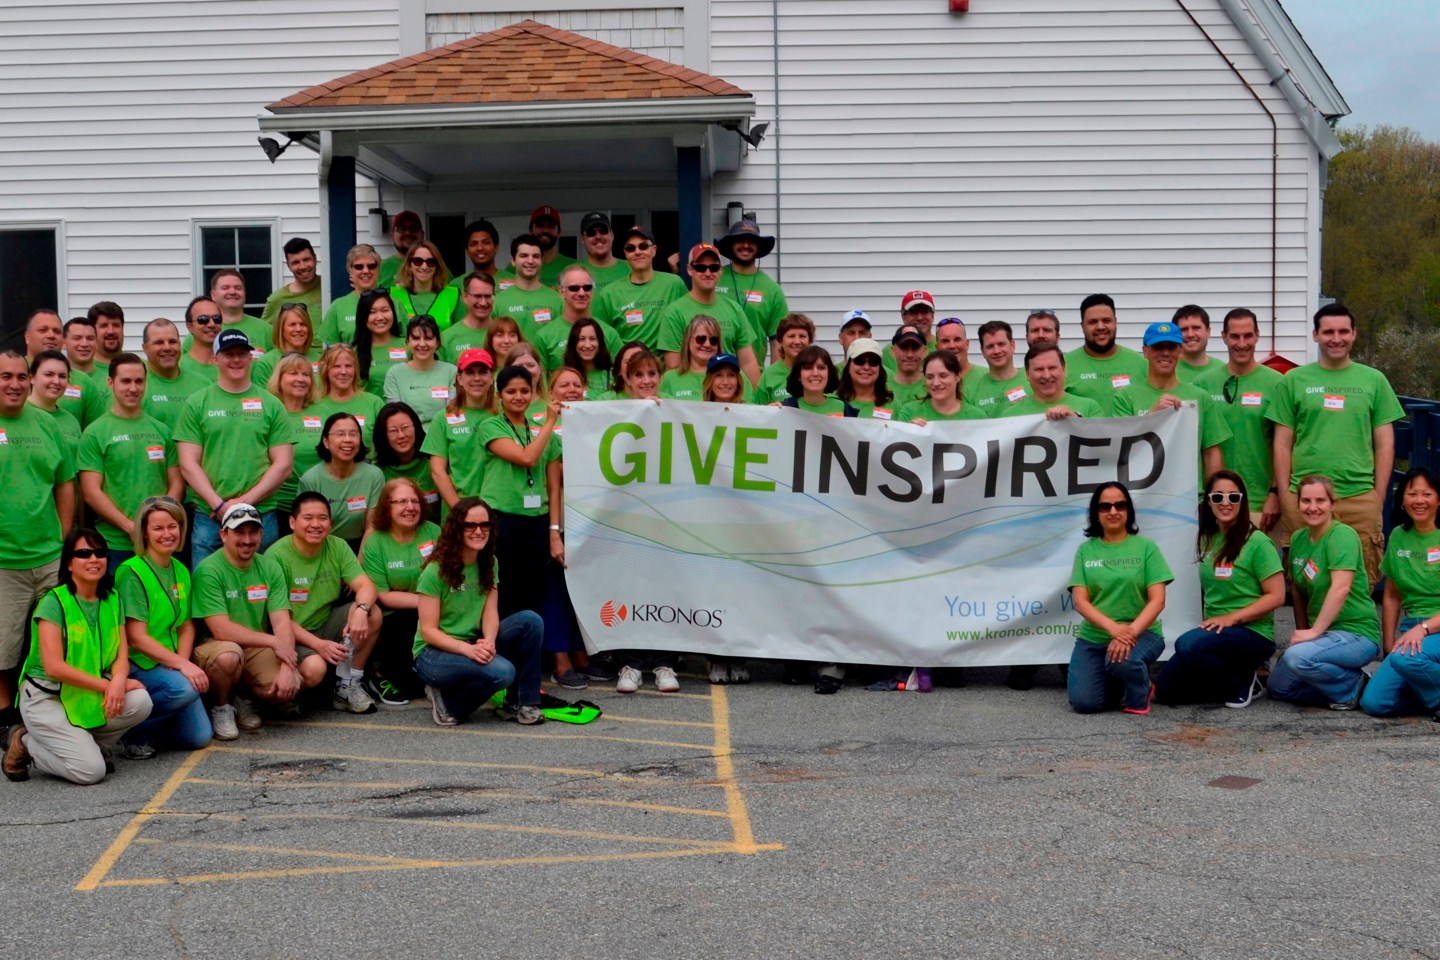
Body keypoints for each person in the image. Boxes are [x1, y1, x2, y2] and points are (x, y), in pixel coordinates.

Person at [1267, 303, 1404, 585]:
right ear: (1315, 335)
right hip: (1305, 499)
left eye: (1343, 331)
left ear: (1354, 334)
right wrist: (1285, 495)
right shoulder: (1294, 380)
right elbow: (1282, 443)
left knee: (1360, 581)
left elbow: (1385, 444)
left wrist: (1377, 496)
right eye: (1328, 332)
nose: (1336, 338)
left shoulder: (1374, 380)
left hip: (1358, 498)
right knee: (1305, 582)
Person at [4, 529, 153, 784]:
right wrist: (108, 686)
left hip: (84, 693)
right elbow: (54, 667)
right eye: (84, 553)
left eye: (100, 553)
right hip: (47, 697)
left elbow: (121, 654)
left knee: (141, 701)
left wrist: (119, 681)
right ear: (69, 563)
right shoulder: (54, 602)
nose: (94, 559)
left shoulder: (112, 598)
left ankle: (88, 746)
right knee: (90, 772)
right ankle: (25, 743)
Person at [1153, 471, 1286, 707]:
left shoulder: (1257, 542)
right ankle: (1225, 682)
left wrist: (1231, 618)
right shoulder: (1208, 538)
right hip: (1217, 631)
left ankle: (1242, 681)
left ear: (1242, 501)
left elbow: (1277, 596)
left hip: (1252, 632)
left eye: (1233, 497)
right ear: (1209, 502)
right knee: (1165, 692)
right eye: (1218, 497)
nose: (1225, 503)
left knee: (1186, 645)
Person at [413, 497, 546, 726]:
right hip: (433, 653)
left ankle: (521, 704)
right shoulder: (435, 570)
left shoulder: (489, 561)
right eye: (470, 525)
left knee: (530, 621)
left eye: (485, 525)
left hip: (472, 641)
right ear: (456, 529)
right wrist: (468, 650)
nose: (478, 531)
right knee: (503, 672)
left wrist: (489, 642)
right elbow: (428, 632)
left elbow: (490, 612)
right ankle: (447, 703)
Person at [0, 349, 76, 727]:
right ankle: (6, 720)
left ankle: (45, 710)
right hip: (5, 562)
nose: (14, 384)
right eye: (5, 376)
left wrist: (61, 535)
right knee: (4, 648)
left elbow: (65, 483)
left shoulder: (47, 424)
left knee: (51, 642)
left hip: (48, 556)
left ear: (29, 379)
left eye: (20, 376)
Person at [174, 330, 295, 565]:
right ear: (215, 359)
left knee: (262, 583)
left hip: (260, 513)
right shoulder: (197, 403)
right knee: (206, 582)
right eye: (229, 354)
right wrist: (219, 505)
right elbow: (188, 464)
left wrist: (243, 503)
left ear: (251, 358)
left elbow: (283, 465)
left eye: (242, 353)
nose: (236, 359)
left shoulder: (271, 405)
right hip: (210, 516)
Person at [192, 503, 314, 729]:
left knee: (288, 686)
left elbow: (281, 621)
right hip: (216, 645)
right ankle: (222, 707)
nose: (247, 540)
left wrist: (287, 667)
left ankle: (244, 698)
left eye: (253, 532)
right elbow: (220, 629)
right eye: (239, 532)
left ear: (261, 534)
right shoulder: (208, 570)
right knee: (229, 656)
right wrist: (273, 642)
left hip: (255, 646)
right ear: (223, 534)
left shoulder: (270, 567)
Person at [1269, 475, 1382, 710]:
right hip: (1322, 636)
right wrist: (1303, 632)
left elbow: (1341, 588)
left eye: (1320, 500)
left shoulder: (1342, 535)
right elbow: (1297, 592)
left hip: (1355, 633)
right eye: (1306, 501)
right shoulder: (1298, 539)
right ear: (1298, 504)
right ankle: (1340, 685)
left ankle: (1355, 685)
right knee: (1279, 687)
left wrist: (1314, 632)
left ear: (1332, 503)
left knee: (1297, 658)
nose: (1313, 507)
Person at [267, 492, 381, 714]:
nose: (316, 524)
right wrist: (318, 645)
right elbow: (280, 620)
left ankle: (348, 685)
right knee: (314, 668)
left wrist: (361, 610)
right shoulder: (276, 556)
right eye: (308, 518)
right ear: (292, 522)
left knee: (372, 613)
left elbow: (366, 586)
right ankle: (283, 697)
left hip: (325, 622)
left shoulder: (337, 546)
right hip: (290, 633)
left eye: (322, 518)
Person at [114, 497, 213, 751]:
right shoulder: (132, 571)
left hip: (169, 661)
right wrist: (182, 666)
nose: (167, 534)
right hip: (140, 663)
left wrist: (181, 662)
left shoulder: (180, 569)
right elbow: (136, 637)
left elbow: (186, 625)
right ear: (145, 533)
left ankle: (154, 726)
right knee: (185, 690)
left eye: (172, 526)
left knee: (199, 738)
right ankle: (132, 732)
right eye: (158, 528)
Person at [1067, 482, 1172, 714]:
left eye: (1120, 505)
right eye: (1105, 506)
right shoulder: (1085, 551)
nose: (1113, 511)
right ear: (1096, 513)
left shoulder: (1147, 548)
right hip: (1094, 638)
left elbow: (1158, 600)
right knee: (1085, 704)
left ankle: (1140, 693)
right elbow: (1081, 602)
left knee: (1123, 661)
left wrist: (1128, 634)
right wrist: (1114, 629)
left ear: (1128, 510)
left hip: (1142, 633)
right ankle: (1119, 681)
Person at [78, 353, 183, 573]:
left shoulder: (162, 431)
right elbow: (91, 492)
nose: (133, 388)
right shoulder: (95, 433)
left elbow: (176, 483)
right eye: (125, 381)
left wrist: (157, 525)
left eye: (139, 381)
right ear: (110, 383)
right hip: (115, 544)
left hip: (157, 543)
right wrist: (131, 528)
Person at [540, 368, 604, 688]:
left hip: (591, 520)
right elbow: (553, 479)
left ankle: (581, 653)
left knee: (581, 590)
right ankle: (560, 658)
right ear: (551, 391)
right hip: (561, 516)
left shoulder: (596, 423)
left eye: (577, 384)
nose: (572, 389)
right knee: (557, 590)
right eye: (563, 384)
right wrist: (554, 531)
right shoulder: (545, 425)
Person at [1194, 308, 1285, 534]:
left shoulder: (1277, 383)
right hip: (1216, 503)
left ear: (1257, 336)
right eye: (1235, 336)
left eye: (1248, 336)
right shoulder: (1203, 384)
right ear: (1224, 337)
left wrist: (1275, 494)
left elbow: (1284, 445)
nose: (1241, 343)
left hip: (1260, 503)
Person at [480, 366, 561, 618]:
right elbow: (527, 458)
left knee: (534, 591)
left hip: (537, 521)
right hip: (503, 519)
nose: (519, 397)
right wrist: (550, 421)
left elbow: (553, 487)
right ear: (499, 395)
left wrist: (554, 530)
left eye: (525, 391)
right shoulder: (491, 426)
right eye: (511, 391)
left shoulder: (543, 433)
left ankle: (532, 640)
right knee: (505, 590)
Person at [1360, 468, 1440, 718]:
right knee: (1374, 703)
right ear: (1402, 499)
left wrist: (1424, 628)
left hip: (1433, 627)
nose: (1419, 500)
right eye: (1412, 494)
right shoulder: (1398, 535)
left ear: (1439, 499)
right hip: (1411, 630)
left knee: (1406, 660)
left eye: (1427, 494)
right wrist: (1388, 644)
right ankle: (1430, 699)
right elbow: (1392, 594)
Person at [1111, 321, 1231, 481]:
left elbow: (1211, 453)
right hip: (1142, 490)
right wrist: (1153, 417)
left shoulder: (1200, 397)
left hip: (1190, 492)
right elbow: (1120, 450)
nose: (1165, 353)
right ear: (1145, 351)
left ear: (1180, 351)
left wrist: (1213, 493)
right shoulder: (1124, 397)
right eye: (1158, 347)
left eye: (1171, 347)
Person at [360, 478, 440, 704]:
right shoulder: (375, 542)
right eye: (402, 501)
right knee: (410, 685)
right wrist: (426, 602)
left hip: (435, 610)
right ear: (387, 506)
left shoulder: (433, 531)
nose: (410, 507)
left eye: (415, 501)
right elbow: (383, 595)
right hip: (395, 617)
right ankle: (378, 676)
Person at [658, 243, 762, 386]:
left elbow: (748, 363)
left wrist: (756, 398)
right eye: (700, 268)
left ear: (720, 270)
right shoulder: (674, 312)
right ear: (689, 270)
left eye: (713, 267)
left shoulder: (734, 309)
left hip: (728, 391)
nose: (708, 273)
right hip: (693, 394)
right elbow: (674, 366)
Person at [590, 225, 688, 352]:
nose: (637, 252)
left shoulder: (674, 284)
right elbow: (600, 338)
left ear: (654, 250)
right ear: (625, 254)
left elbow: (688, 325)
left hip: (666, 363)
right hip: (626, 363)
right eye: (630, 248)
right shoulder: (608, 294)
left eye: (643, 246)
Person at [298, 413, 385, 551]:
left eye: (353, 434)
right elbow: (309, 528)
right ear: (326, 441)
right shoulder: (311, 480)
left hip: (364, 545)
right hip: (323, 547)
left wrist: (358, 561)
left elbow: (372, 526)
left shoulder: (374, 475)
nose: (348, 439)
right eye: (340, 434)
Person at [423, 348, 496, 511]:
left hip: (498, 508)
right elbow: (437, 472)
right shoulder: (443, 418)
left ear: (492, 377)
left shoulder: (503, 415)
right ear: (459, 379)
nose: (477, 378)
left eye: (482, 372)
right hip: (458, 508)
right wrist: (461, 511)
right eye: (470, 372)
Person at [713, 219, 789, 360]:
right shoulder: (712, 278)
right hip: (711, 368)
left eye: (751, 241)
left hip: (753, 370)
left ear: (759, 247)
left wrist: (774, 373)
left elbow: (778, 342)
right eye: (740, 240)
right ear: (731, 245)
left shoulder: (772, 290)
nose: (746, 245)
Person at [1064, 294, 1148, 416]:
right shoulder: (1063, 366)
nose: (1100, 327)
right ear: (1082, 326)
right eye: (1093, 322)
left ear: (1116, 322)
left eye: (1106, 320)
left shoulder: (1141, 364)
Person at [267, 351, 323, 527]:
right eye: (293, 373)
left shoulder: (324, 412)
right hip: (278, 506)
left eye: (306, 374)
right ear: (279, 379)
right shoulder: (269, 412)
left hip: (318, 503)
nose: (300, 379)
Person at [534, 264, 622, 373]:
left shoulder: (610, 334)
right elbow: (539, 381)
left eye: (587, 288)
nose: (581, 293)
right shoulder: (544, 337)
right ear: (561, 292)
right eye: (574, 288)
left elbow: (622, 376)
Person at [140, 318, 210, 435]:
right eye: (159, 343)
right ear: (145, 348)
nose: (167, 348)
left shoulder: (203, 385)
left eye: (172, 342)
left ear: (179, 345)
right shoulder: (136, 387)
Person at [383, 315, 457, 424]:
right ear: (407, 342)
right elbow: (396, 417)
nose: (422, 344)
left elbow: (452, 414)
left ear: (437, 342)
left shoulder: (452, 372)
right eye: (416, 338)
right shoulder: (394, 373)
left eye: (428, 338)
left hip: (442, 432)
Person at [372, 402, 440, 520]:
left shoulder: (434, 462)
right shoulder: (377, 472)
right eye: (393, 431)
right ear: (383, 435)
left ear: (416, 427)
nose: (401, 435)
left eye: (405, 428)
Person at [996, 345, 1102, 420]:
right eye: (1039, 369)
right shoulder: (1009, 416)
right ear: (1028, 374)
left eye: (1052, 368)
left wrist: (1076, 420)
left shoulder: (1090, 408)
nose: (1047, 376)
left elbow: (1100, 440)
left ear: (1064, 370)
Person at [309, 343, 384, 446]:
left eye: (348, 366)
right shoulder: (313, 404)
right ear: (326, 370)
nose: (343, 372)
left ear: (355, 369)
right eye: (336, 366)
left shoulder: (374, 404)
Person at [493, 234, 564, 340]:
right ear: (513, 261)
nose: (530, 261)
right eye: (524, 256)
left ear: (542, 261)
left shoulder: (557, 300)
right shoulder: (498, 302)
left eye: (536, 256)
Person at [897, 350, 985, 424]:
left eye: (943, 376)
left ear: (957, 376)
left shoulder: (977, 417)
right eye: (930, 377)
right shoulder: (909, 412)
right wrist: (909, 432)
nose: (936, 383)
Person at [318, 244, 382, 346]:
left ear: (378, 270)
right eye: (359, 267)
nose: (366, 271)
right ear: (350, 271)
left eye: (371, 266)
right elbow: (332, 350)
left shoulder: (394, 303)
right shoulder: (338, 306)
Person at [352, 289, 408, 398]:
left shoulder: (409, 346)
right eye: (372, 312)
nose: (380, 317)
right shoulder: (353, 353)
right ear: (362, 317)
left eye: (385, 310)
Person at [965, 320, 1029, 415]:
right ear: (982, 351)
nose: (996, 351)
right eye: (990, 346)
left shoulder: (1032, 381)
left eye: (1001, 344)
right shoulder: (971, 391)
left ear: (1012, 345)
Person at [390, 239, 457, 329]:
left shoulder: (453, 295)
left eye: (430, 262)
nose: (424, 267)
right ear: (409, 266)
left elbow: (462, 331)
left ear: (437, 266)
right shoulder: (393, 296)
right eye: (418, 261)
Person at [259, 238, 323, 330]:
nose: (303, 266)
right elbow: (263, 333)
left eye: (306, 260)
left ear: (315, 259)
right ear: (289, 266)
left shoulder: (330, 288)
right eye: (296, 262)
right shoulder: (277, 299)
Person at [252, 303, 320, 387]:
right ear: (281, 329)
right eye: (292, 325)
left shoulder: (320, 360)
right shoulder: (266, 363)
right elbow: (261, 394)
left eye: (303, 324)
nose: (298, 329)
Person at [28, 349, 82, 452]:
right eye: (49, 374)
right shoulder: (18, 413)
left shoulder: (71, 421)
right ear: (32, 377)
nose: (56, 381)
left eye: (62, 376)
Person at [203, 268, 271, 352]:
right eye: (225, 288)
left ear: (244, 293)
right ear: (213, 295)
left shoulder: (265, 330)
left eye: (238, 288)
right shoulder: (202, 332)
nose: (232, 292)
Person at [445, 219, 502, 316]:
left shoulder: (514, 281)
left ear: (496, 247)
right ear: (467, 250)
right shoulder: (455, 286)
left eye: (486, 242)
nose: (480, 248)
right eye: (473, 244)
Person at [754, 313, 814, 405]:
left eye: (802, 336)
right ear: (781, 340)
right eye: (791, 336)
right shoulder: (769, 375)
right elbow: (759, 410)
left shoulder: (819, 371)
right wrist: (769, 409)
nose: (797, 341)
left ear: (810, 340)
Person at [781, 345, 858, 417]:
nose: (815, 373)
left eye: (821, 368)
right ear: (798, 375)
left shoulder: (843, 407)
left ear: (829, 374)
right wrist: (773, 411)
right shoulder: (786, 407)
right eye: (808, 368)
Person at [661, 314, 724, 400]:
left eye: (713, 340)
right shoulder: (669, 378)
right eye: (701, 339)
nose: (707, 344)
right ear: (688, 340)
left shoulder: (734, 376)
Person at [440, 272, 496, 363]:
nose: (483, 303)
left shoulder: (504, 335)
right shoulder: (446, 338)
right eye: (477, 296)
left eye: (488, 296)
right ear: (465, 297)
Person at [835, 338, 897, 419]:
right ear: (848, 365)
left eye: (873, 361)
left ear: (880, 368)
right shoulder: (832, 401)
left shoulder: (894, 405)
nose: (866, 367)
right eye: (859, 360)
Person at [882, 291, 937, 373]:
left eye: (925, 311)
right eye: (913, 312)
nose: (919, 318)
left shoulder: (942, 347)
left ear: (932, 316)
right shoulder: (888, 352)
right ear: (903, 317)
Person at [562, 317, 615, 397]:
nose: (587, 345)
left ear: (600, 342)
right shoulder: (564, 375)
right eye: (581, 339)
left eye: (592, 339)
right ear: (573, 343)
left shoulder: (612, 374)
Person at [577, 211, 630, 289]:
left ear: (612, 235)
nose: (598, 236)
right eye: (591, 232)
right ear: (582, 239)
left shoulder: (631, 268)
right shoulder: (571, 272)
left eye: (603, 230)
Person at [528, 204, 576, 288]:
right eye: (540, 225)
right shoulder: (517, 267)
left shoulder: (573, 267)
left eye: (551, 226)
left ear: (559, 232)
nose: (545, 230)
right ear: (530, 231)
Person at [1173, 305, 1220, 383]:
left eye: (1196, 328)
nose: (1190, 334)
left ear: (1208, 331)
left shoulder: (1223, 371)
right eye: (1184, 329)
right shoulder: (1166, 370)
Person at [378, 210, 424, 288]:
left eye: (414, 228)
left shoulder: (434, 266)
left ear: (422, 235)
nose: (408, 232)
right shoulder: (380, 269)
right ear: (392, 236)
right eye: (402, 228)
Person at [180, 295, 221, 382]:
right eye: (203, 319)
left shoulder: (232, 365)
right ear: (189, 326)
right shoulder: (178, 367)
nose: (212, 324)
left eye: (217, 319)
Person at [888, 325, 928, 406]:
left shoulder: (933, 387)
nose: (910, 355)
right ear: (893, 351)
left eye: (915, 347)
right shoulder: (882, 389)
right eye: (904, 347)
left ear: (925, 351)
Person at [90, 301, 126, 368]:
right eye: (104, 326)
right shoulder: (81, 368)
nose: (111, 331)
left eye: (116, 325)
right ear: (92, 331)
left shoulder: (141, 367)